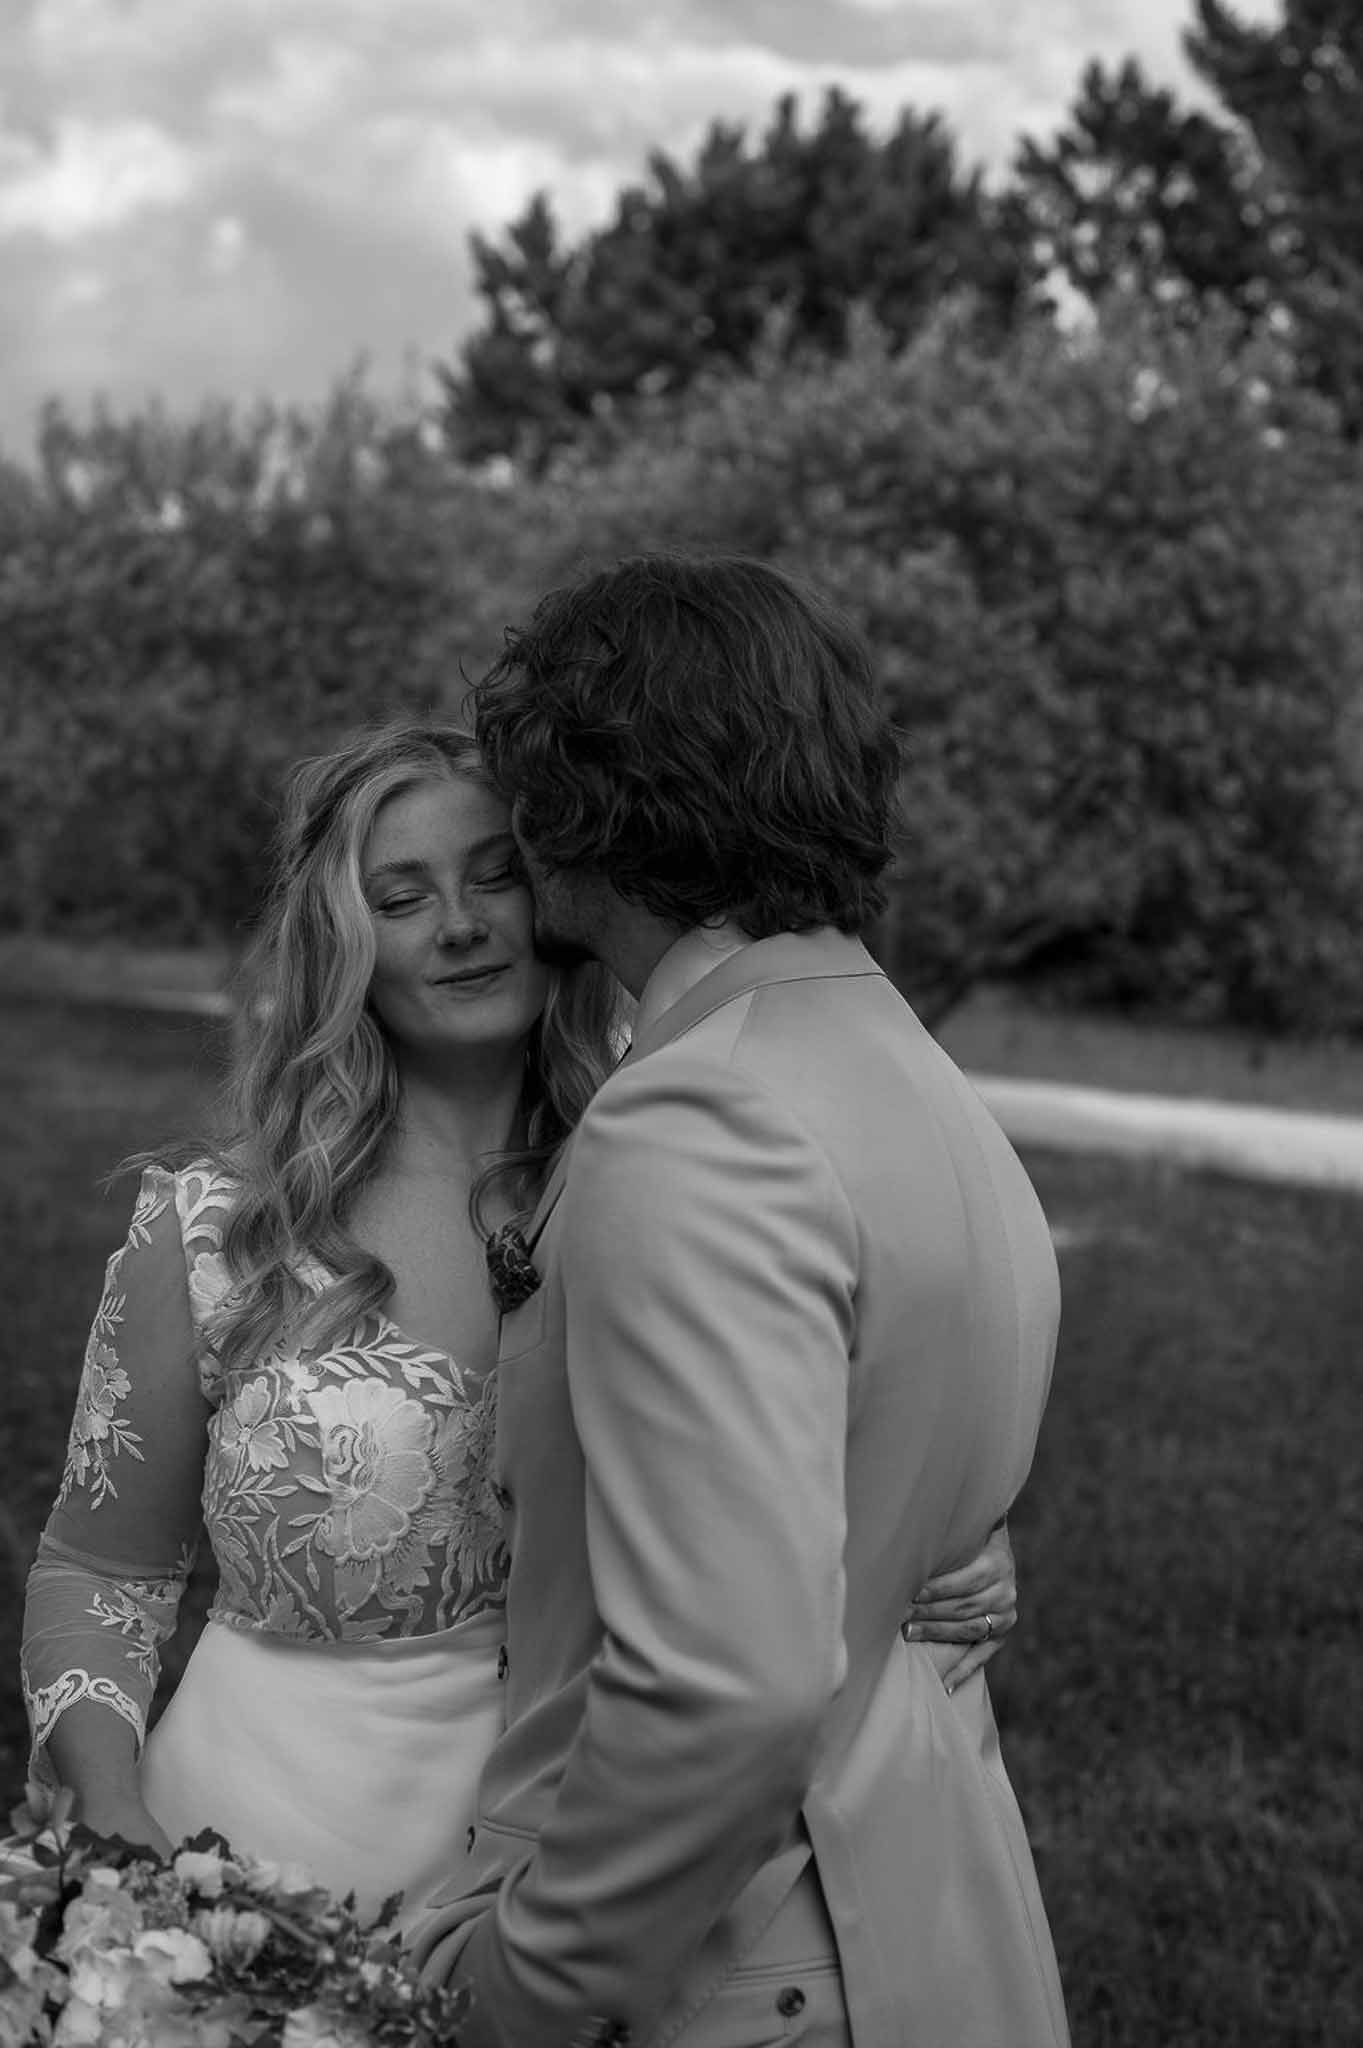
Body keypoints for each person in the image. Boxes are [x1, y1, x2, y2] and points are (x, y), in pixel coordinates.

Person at [19, 717, 1015, 1930]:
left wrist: (945, 1541)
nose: (460, 924)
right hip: (230, 1869)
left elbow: (805, 1470)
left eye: (496, 876)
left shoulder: (681, 1192)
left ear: (563, 895)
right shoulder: (218, 1229)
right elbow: (102, 1572)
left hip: (576, 1881)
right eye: (402, 896)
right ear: (340, 938)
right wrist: (111, 1807)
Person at [410, 555, 1071, 2047]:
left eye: (528, 785)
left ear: (590, 797)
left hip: (741, 1970)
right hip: (936, 1911)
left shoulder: (696, 1117)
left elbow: (726, 1684)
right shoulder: (910, 1072)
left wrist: (527, 1987)